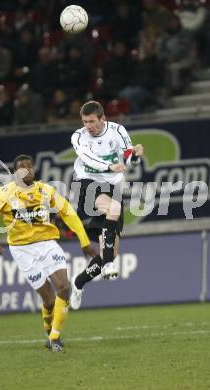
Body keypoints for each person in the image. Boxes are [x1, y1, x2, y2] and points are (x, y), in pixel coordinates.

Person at [0, 154, 95, 351]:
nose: (26, 169)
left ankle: (55, 338)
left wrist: (84, 240)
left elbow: (68, 213)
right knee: (48, 301)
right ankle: (49, 330)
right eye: (21, 167)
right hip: (22, 250)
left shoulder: (46, 190)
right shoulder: (4, 193)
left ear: (34, 170)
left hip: (48, 244)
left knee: (64, 288)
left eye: (29, 166)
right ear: (15, 172)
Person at [70, 100, 144, 310]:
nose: (88, 126)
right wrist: (111, 166)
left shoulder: (117, 131)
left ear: (103, 119)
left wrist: (135, 156)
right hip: (87, 185)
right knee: (113, 209)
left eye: (92, 121)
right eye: (85, 122)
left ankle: (78, 283)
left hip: (113, 189)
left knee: (108, 252)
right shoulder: (78, 136)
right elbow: (88, 158)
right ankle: (109, 264)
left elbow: (128, 157)